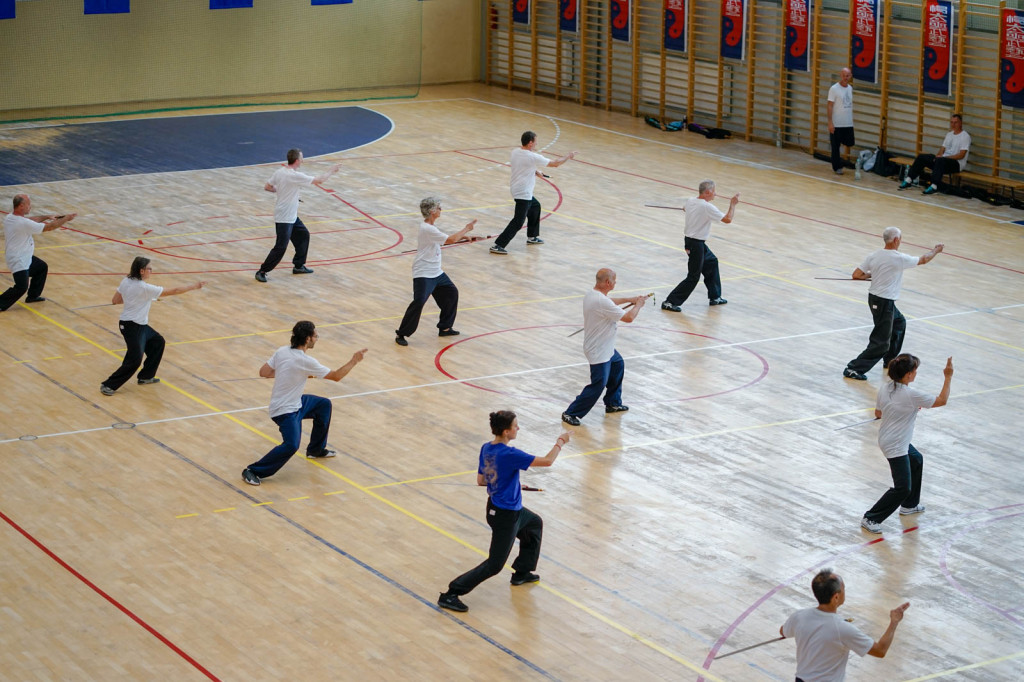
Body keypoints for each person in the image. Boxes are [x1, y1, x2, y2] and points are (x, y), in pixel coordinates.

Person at [437, 410, 570, 612]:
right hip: (506, 516)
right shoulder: (510, 454)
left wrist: (513, 485)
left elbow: (482, 480)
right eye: (516, 426)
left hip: (501, 508)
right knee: (495, 564)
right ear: (507, 431)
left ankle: (521, 572)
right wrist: (560, 441)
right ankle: (452, 593)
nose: (518, 428)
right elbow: (547, 461)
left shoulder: (487, 448)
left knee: (534, 523)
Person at [242, 321, 367, 486]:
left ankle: (316, 449)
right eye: (315, 336)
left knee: (323, 405)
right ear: (308, 339)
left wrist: (291, 374)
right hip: (285, 411)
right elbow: (336, 376)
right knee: (291, 445)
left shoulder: (282, 351)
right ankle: (253, 470)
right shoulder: (306, 361)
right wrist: (354, 361)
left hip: (296, 402)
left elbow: (264, 372)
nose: (317, 339)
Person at [861, 354, 953, 534]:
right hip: (896, 445)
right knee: (903, 487)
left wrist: (901, 410)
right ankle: (871, 517)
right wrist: (948, 376)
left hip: (889, 438)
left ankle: (910, 506)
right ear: (909, 375)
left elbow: (879, 413)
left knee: (916, 459)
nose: (916, 373)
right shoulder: (910, 395)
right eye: (915, 370)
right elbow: (942, 400)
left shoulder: (885, 388)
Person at [843, 228, 943, 380]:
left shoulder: (874, 255)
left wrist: (872, 274)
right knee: (881, 342)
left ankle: (889, 361)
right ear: (896, 240)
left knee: (899, 323)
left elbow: (856, 275)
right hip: (884, 302)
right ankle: (853, 369)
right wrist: (935, 250)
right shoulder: (899, 258)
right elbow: (923, 259)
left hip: (876, 299)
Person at [100, 257, 206, 396]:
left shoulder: (126, 281)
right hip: (132, 327)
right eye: (149, 268)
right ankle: (108, 385)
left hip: (138, 325)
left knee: (157, 342)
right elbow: (174, 290)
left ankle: (146, 376)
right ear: (141, 270)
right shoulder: (144, 288)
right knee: (135, 360)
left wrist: (138, 299)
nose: (151, 271)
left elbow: (116, 300)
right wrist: (194, 286)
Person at [780, 568, 910, 681]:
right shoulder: (842, 629)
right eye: (843, 589)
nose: (845, 591)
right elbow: (880, 650)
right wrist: (894, 622)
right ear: (836, 597)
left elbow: (783, 631)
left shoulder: (799, 616)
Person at [561, 268, 646, 426]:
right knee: (598, 383)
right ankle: (571, 413)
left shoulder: (592, 294)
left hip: (606, 347)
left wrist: (630, 299)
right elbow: (629, 317)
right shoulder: (600, 301)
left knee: (618, 364)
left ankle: (613, 403)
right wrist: (639, 305)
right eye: (614, 280)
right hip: (598, 350)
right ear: (608, 282)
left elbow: (610, 302)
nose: (615, 283)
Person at [395, 197, 477, 346]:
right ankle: (402, 333)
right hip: (424, 273)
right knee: (419, 301)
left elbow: (447, 239)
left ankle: (445, 328)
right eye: (439, 208)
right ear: (432, 211)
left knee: (452, 293)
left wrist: (463, 237)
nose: (441, 210)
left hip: (436, 272)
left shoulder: (431, 227)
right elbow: (450, 240)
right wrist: (466, 229)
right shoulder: (427, 228)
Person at [255, 149, 341, 283]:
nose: (303, 160)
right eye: (301, 158)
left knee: (303, 235)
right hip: (285, 217)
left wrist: (282, 192)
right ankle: (262, 271)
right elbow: (320, 180)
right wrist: (331, 170)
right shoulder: (294, 176)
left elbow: (267, 187)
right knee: (281, 247)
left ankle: (299, 266)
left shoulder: (280, 171)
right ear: (296, 160)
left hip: (291, 215)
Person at [489, 131, 576, 255]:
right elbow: (555, 163)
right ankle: (498, 245)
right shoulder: (532, 157)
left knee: (535, 207)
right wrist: (568, 156)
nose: (537, 144)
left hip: (517, 188)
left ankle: (532, 237)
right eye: (535, 142)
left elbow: (524, 165)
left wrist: (535, 171)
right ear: (530, 143)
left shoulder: (516, 152)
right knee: (518, 221)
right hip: (523, 192)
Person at [660, 180, 740, 311]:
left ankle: (715, 297)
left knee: (711, 262)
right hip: (695, 244)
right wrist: (732, 204)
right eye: (714, 191)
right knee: (693, 276)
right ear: (707, 192)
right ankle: (670, 302)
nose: (715, 194)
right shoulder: (707, 207)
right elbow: (728, 219)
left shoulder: (691, 200)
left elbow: (686, 208)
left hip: (694, 242)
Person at [1, 194, 76, 311]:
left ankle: (33, 296)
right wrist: (66, 218)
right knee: (21, 287)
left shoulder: (11, 217)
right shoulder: (22, 223)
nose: (30, 207)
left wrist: (47, 216)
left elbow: (31, 220)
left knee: (41, 268)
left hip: (23, 256)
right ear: (21, 205)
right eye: (28, 204)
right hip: (18, 259)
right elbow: (49, 228)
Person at [898, 114, 971, 195]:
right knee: (922, 157)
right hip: (943, 161)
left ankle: (934, 186)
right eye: (952, 122)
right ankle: (909, 180)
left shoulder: (965, 136)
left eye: (955, 122)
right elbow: (942, 149)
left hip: (956, 164)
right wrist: (937, 157)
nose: (953, 125)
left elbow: (961, 155)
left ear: (960, 123)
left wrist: (944, 158)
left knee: (940, 161)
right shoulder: (949, 134)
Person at [827, 67, 855, 175]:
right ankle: (837, 167)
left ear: (850, 76)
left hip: (847, 123)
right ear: (840, 75)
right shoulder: (834, 89)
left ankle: (842, 162)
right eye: (843, 75)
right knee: (835, 146)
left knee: (850, 142)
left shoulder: (850, 88)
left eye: (847, 75)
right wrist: (830, 122)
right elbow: (829, 106)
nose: (845, 78)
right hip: (836, 123)